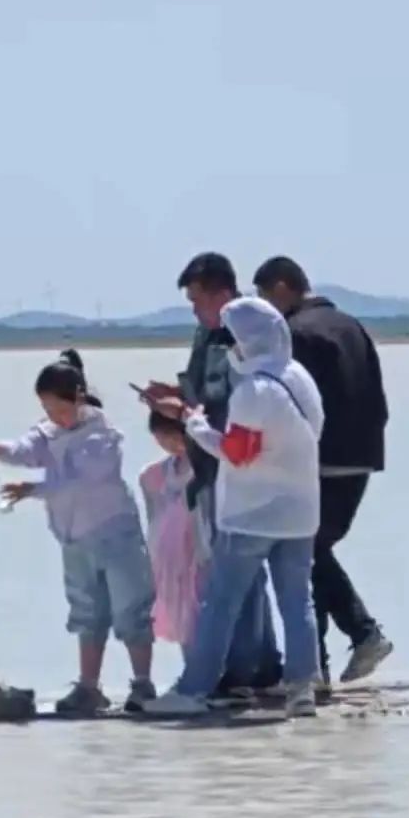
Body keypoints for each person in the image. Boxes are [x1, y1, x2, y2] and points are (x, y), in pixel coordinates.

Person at [144, 297, 324, 718]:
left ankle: (194, 689)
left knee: (220, 604)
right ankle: (302, 690)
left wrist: (194, 425)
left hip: (252, 515)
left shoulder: (253, 391)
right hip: (300, 512)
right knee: (298, 602)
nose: (229, 349)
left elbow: (238, 453)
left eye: (232, 341)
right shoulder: (299, 377)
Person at [0, 349, 155, 717]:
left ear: (77, 398)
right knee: (86, 612)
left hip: (115, 534)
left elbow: (79, 481)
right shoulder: (48, 432)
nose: (53, 417)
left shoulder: (102, 435)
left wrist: (32, 489)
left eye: (59, 409)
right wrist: (0, 450)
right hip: (74, 539)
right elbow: (27, 449)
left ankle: (142, 684)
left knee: (130, 609)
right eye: (47, 409)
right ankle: (89, 687)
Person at [144, 252, 283, 692]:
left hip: (235, 464)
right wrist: (176, 395)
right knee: (237, 571)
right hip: (209, 463)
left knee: (236, 572)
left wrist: (185, 411)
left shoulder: (244, 334)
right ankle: (259, 664)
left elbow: (228, 402)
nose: (194, 311)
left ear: (222, 294)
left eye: (197, 300)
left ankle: (243, 669)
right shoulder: (206, 334)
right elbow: (203, 390)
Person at [254, 256, 392, 685]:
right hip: (361, 455)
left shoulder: (296, 333)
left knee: (299, 552)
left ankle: (352, 641)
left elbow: (293, 405)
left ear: (281, 288)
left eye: (264, 299)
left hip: (320, 458)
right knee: (312, 552)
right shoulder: (351, 325)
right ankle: (319, 665)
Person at [139, 410, 206, 651]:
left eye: (173, 436)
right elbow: (153, 518)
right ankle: (192, 666)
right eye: (161, 439)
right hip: (170, 560)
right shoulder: (154, 474)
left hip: (199, 553)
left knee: (202, 609)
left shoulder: (205, 469)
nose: (169, 444)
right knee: (181, 614)